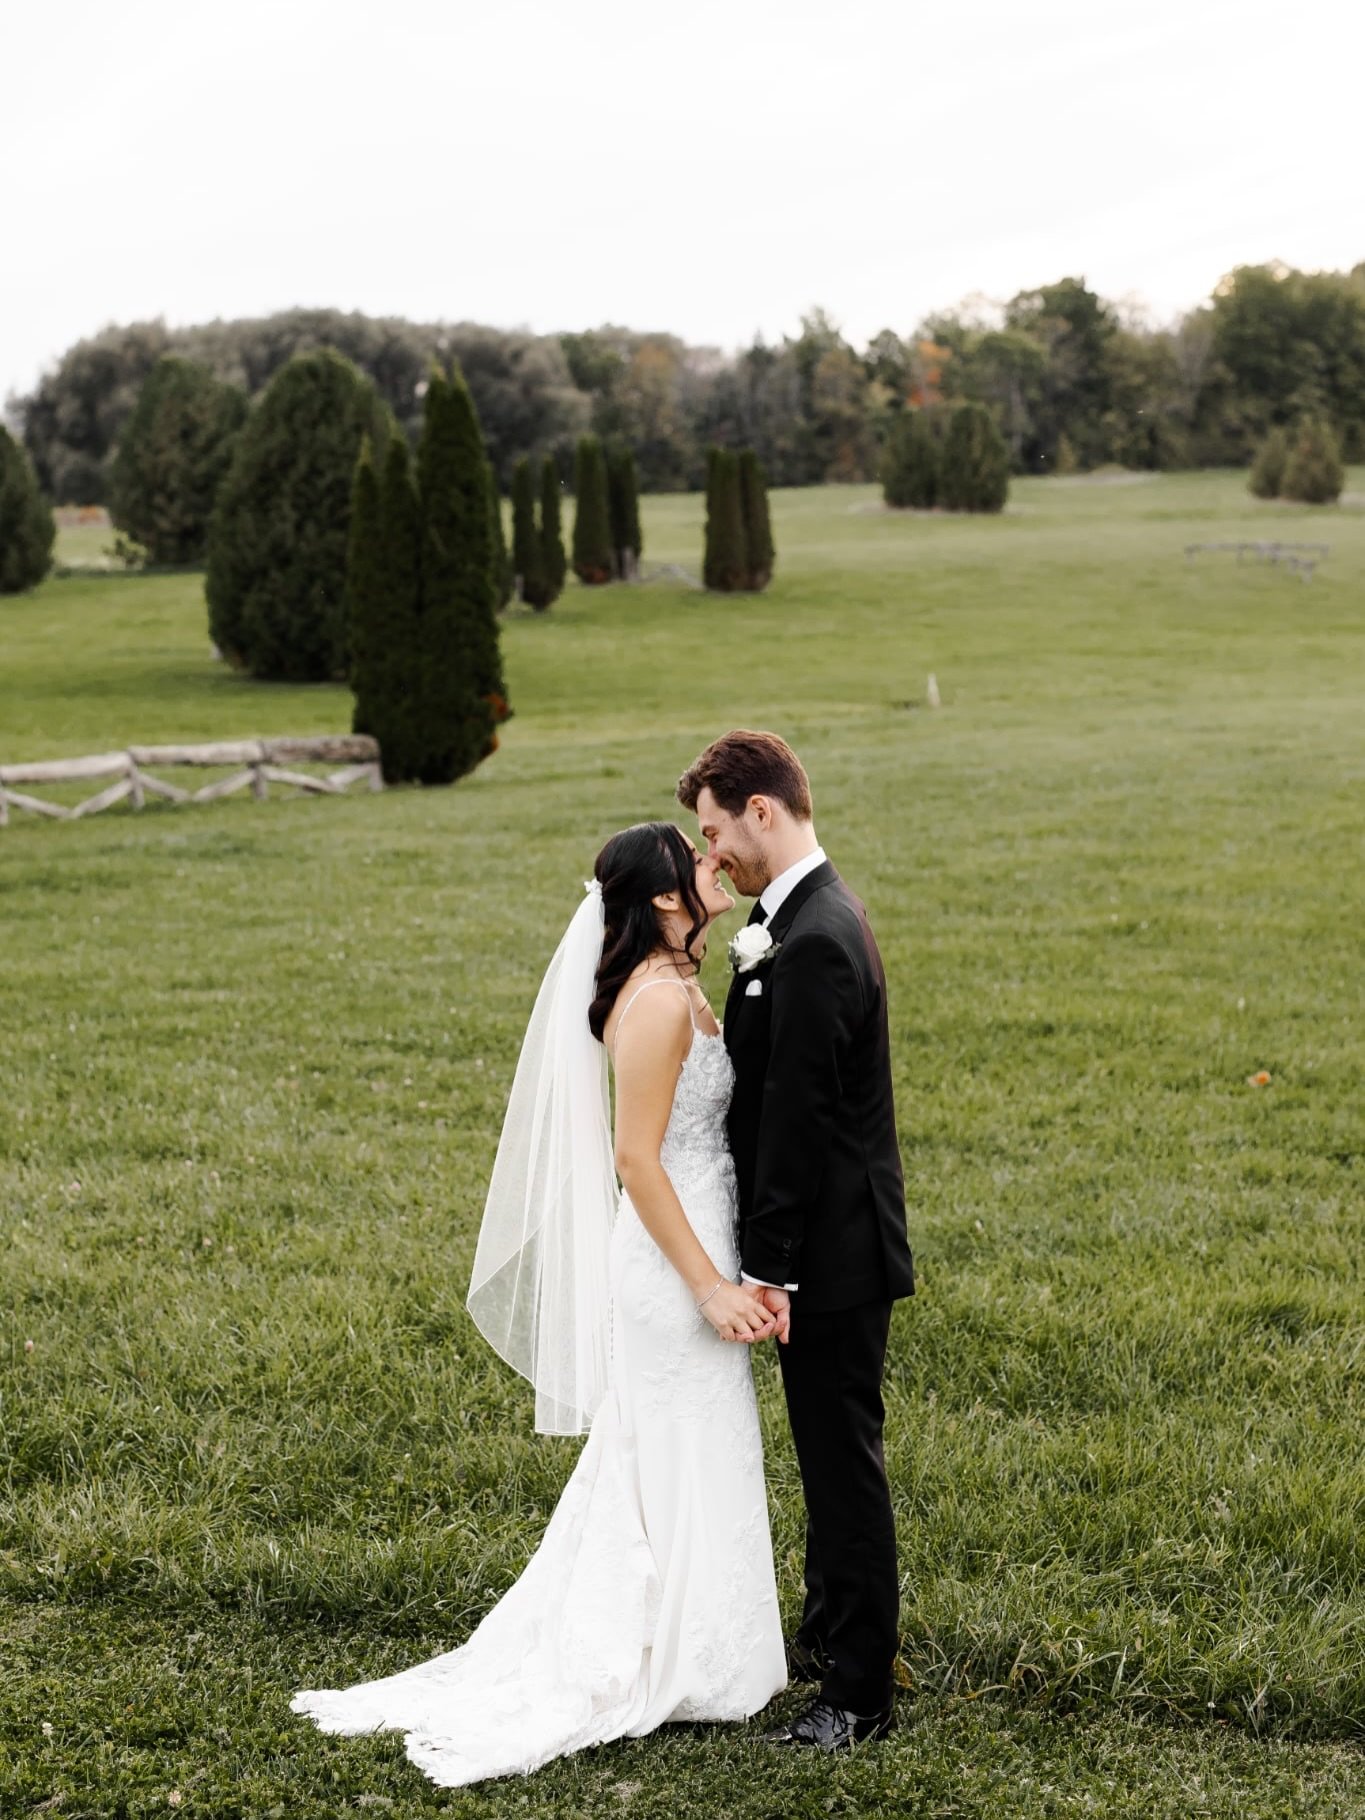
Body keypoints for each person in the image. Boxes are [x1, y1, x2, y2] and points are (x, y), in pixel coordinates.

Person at [291, 822, 787, 1787]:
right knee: (670, 1445)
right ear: (663, 900)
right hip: (670, 1266)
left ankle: (707, 1648)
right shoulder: (652, 1004)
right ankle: (667, 1657)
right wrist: (710, 1286)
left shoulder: (680, 985)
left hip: (704, 1241)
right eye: (695, 857)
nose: (711, 863)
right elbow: (636, 1162)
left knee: (695, 1446)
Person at [678, 729, 915, 1752]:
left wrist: (767, 1267)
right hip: (829, 1245)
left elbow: (801, 1123)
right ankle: (833, 1636)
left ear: (761, 810)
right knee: (828, 1458)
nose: (714, 852)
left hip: (834, 1254)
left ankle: (857, 1695)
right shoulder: (802, 919)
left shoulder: (816, 934)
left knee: (840, 1463)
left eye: (716, 828)